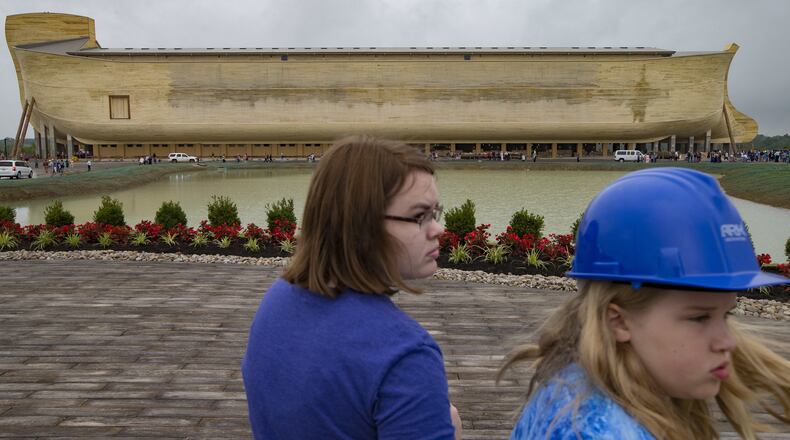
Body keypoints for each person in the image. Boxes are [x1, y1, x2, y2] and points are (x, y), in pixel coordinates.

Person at [499, 167, 789, 440]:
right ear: (618, 321)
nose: (727, 342)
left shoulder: (579, 383)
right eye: (700, 318)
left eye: (726, 315)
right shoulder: (592, 431)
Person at [242, 136, 461, 440]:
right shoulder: (405, 356)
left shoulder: (278, 299)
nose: (439, 229)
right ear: (362, 224)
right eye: (419, 216)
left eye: (434, 214)